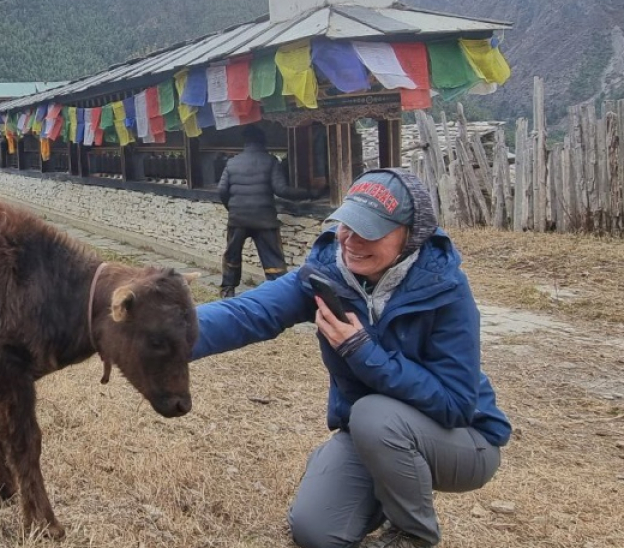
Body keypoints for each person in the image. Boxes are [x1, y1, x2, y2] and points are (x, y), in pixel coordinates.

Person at [192, 169, 511, 548]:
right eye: (347, 225)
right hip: (374, 432)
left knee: (374, 415)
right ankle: (372, 472)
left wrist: (361, 350)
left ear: (411, 235)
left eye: (370, 231)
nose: (351, 241)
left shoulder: (445, 290)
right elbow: (247, 314)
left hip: (463, 441)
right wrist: (163, 334)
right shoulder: (328, 275)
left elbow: (456, 405)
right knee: (316, 533)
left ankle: (413, 534)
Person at [217, 125, 320, 297]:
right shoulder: (270, 161)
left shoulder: (232, 162)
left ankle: (228, 290)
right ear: (263, 142)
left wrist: (232, 208)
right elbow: (281, 190)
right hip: (264, 219)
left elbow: (221, 190)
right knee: (273, 258)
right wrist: (308, 193)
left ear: (245, 142)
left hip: (238, 219)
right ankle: (279, 293)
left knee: (232, 254)